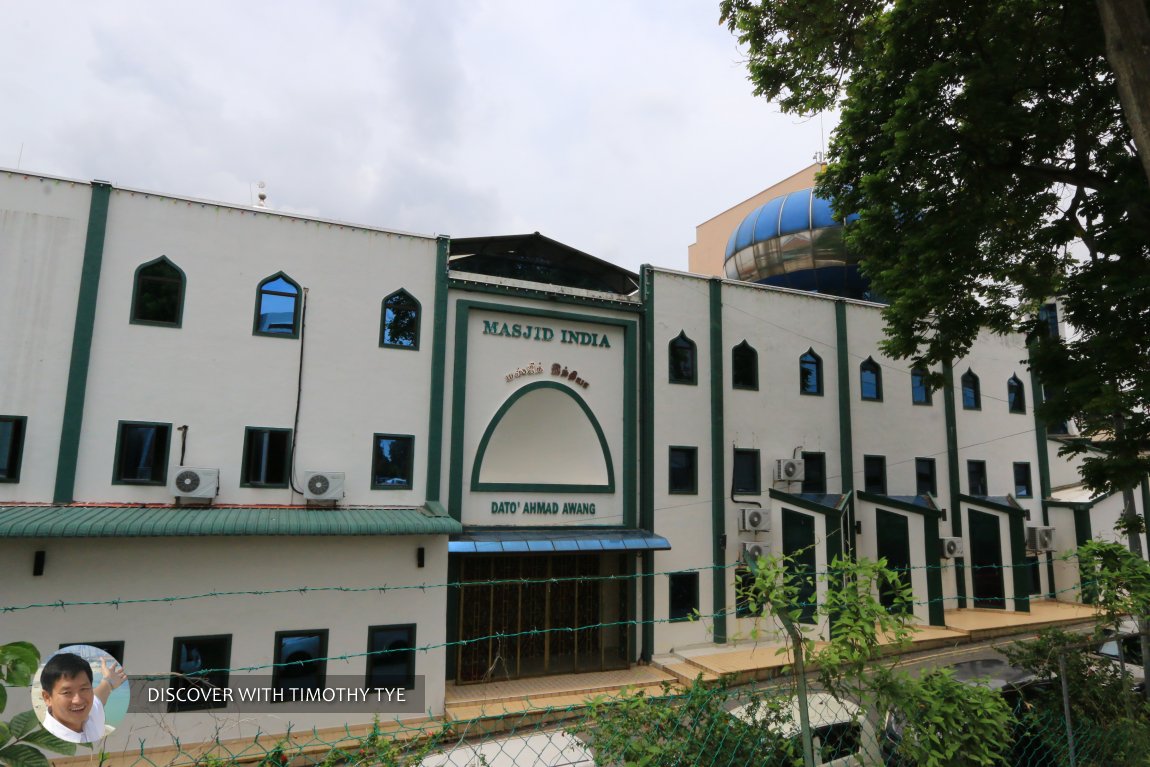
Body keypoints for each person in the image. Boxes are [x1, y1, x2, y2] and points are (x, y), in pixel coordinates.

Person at [39, 652, 127, 744]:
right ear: (47, 698)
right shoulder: (49, 741)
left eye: (84, 689)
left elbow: (100, 693)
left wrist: (109, 681)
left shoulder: (91, 712)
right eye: (67, 692)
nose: (78, 700)